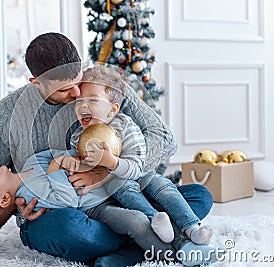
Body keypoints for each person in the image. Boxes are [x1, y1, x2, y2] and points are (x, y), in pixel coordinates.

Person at [0, 32, 214, 266]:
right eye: (64, 90)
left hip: (121, 196)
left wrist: (108, 171)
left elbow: (164, 137)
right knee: (68, 229)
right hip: (63, 214)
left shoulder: (101, 84)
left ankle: (132, 246)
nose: (78, 94)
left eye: (77, 80)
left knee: (198, 196)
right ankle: (145, 242)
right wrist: (19, 210)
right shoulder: (6, 114)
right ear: (37, 82)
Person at [57, 64, 213, 245]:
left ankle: (192, 228)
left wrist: (112, 163)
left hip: (140, 177)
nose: (83, 105)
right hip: (111, 198)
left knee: (165, 186)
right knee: (121, 189)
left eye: (93, 100)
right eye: (79, 101)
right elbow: (81, 173)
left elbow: (137, 168)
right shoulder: (78, 137)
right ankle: (154, 221)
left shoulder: (126, 127)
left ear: (113, 109)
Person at [0, 162, 219, 266]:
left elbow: (157, 140)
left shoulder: (29, 162)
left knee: (199, 196)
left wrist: (102, 166)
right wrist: (23, 215)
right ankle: (170, 246)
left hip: (115, 189)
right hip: (87, 213)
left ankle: (130, 252)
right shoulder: (10, 112)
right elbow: (67, 198)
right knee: (67, 227)